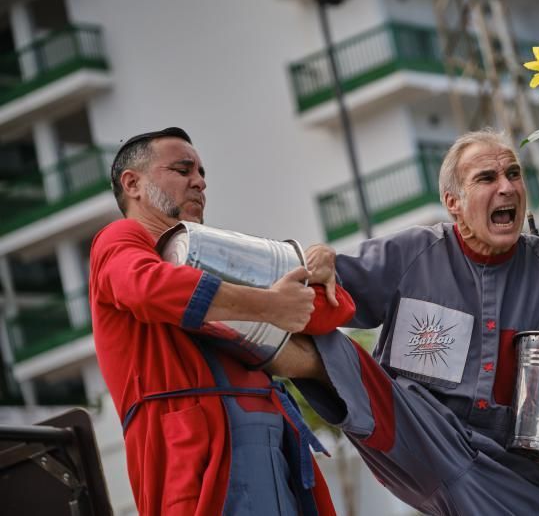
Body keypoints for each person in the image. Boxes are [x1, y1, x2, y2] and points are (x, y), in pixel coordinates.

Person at [285, 129, 539, 515]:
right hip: (421, 433)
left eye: (513, 174)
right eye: (487, 178)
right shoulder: (411, 253)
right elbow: (324, 288)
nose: (506, 187)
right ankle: (246, 336)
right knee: (330, 346)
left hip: (516, 474)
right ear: (453, 202)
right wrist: (319, 256)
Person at [89, 127, 349, 516]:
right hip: (199, 455)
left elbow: (330, 309)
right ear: (133, 184)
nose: (200, 181)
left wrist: (323, 263)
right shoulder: (119, 237)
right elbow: (146, 288)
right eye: (182, 169)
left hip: (271, 441)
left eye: (202, 172)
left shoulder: (208, 251)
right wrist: (267, 305)